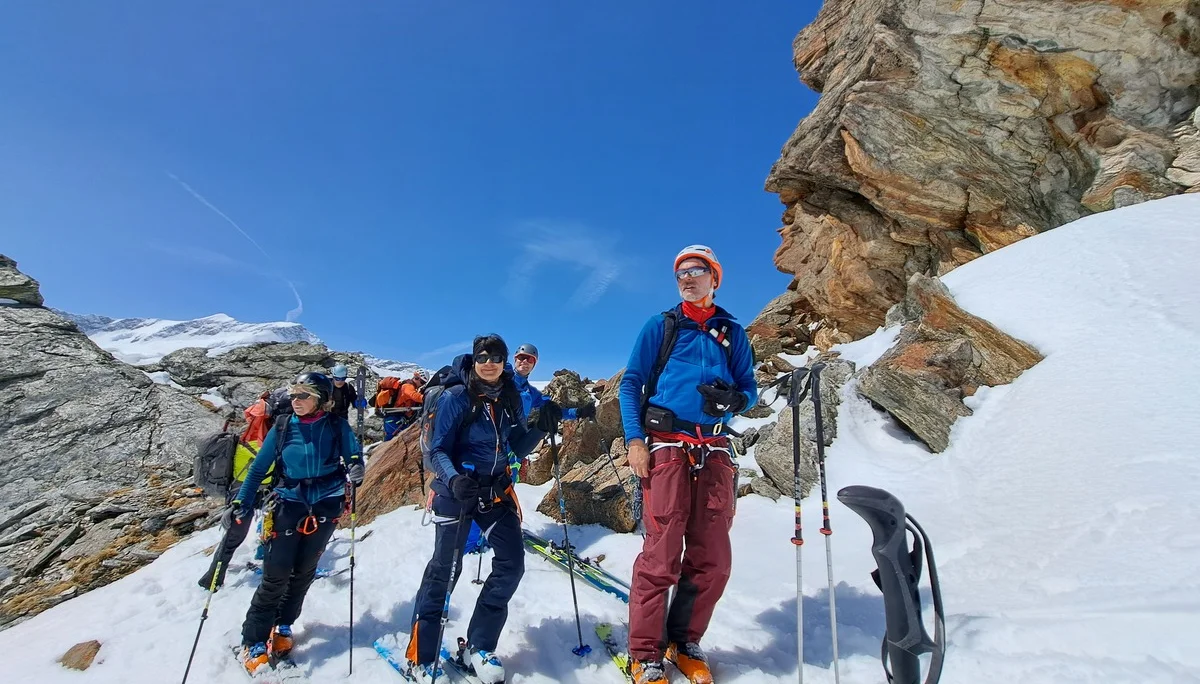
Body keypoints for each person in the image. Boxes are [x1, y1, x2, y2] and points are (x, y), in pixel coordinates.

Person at [617, 245, 757, 684]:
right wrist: (636, 441)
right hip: (666, 446)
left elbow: (750, 388)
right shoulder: (661, 326)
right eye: (681, 273)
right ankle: (644, 653)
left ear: (715, 278)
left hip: (714, 449)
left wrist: (736, 400)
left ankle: (684, 640)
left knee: (712, 558)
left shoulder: (732, 332)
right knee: (660, 555)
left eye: (697, 271)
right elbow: (631, 384)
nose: (687, 278)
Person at [403, 335, 548, 684]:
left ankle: (479, 646)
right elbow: (437, 449)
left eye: (496, 357)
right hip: (458, 492)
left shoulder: (507, 394)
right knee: (445, 571)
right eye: (483, 356)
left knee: (511, 564)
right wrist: (454, 480)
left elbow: (512, 443)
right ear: (474, 358)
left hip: (495, 492)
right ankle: (421, 655)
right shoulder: (456, 397)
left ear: (503, 362)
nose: (489, 362)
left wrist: (541, 427)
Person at [229, 372, 365, 674]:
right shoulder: (282, 427)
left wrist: (356, 467)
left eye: (303, 395)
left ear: (321, 400)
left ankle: (284, 625)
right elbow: (258, 469)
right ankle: (253, 639)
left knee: (304, 572)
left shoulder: (336, 425)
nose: (296, 401)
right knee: (276, 574)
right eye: (294, 395)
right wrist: (242, 503)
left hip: (325, 506)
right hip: (288, 504)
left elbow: (354, 457)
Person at [196, 391, 275, 589]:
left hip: (238, 491)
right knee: (268, 529)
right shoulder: (266, 442)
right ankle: (267, 562)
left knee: (233, 537)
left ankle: (213, 577)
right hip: (255, 492)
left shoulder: (244, 438)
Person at [510, 342, 597, 425]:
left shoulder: (531, 393)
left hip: (511, 436)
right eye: (521, 357)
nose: (525, 361)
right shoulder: (501, 378)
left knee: (543, 426)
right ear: (515, 359)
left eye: (530, 359)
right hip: (498, 435)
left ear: (534, 365)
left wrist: (579, 412)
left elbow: (555, 411)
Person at [377, 371, 427, 440]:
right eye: (422, 382)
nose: (422, 385)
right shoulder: (408, 386)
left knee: (394, 439)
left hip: (396, 416)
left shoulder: (408, 385)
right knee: (392, 440)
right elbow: (413, 395)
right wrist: (426, 398)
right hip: (394, 416)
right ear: (417, 378)